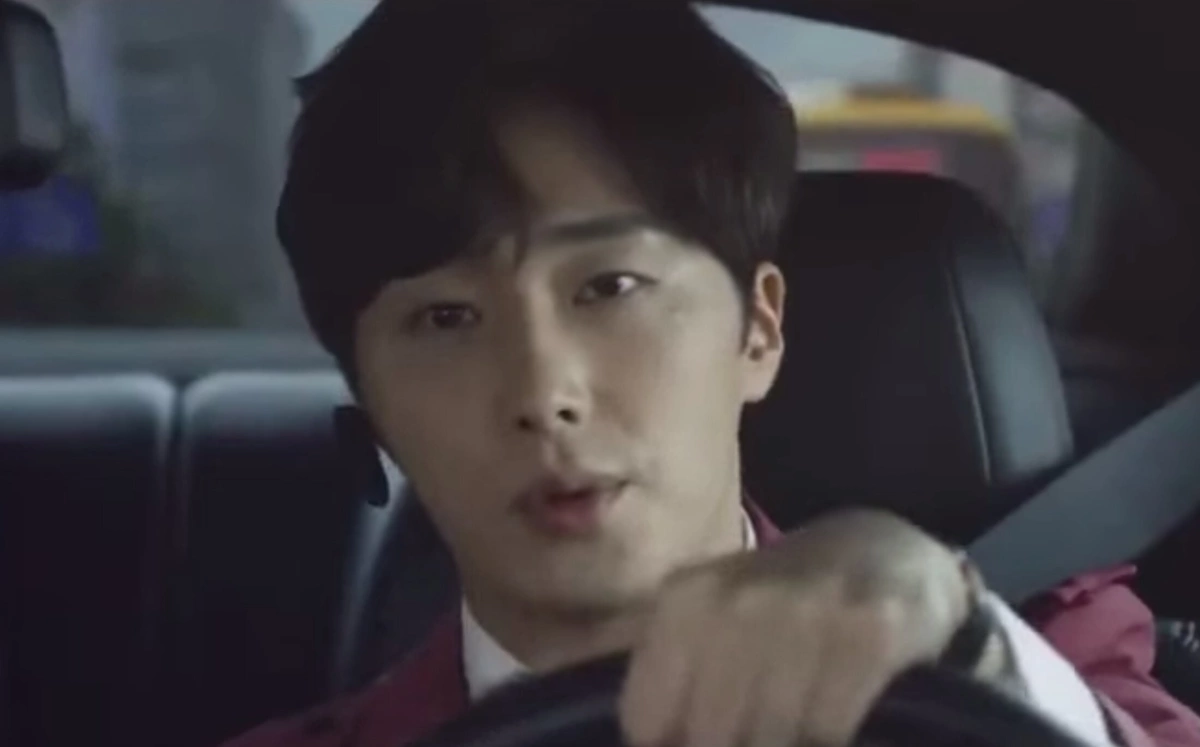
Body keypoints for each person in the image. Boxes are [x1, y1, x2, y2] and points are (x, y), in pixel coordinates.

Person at [226, 1, 1200, 746]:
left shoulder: (1035, 645)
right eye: (445, 319)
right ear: (375, 413)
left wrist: (961, 650)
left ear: (759, 330)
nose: (543, 393)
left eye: (609, 286)